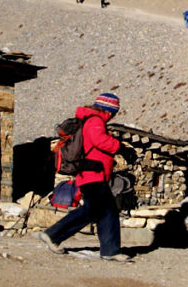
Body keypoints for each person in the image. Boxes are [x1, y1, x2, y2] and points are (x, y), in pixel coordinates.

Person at [36, 93, 135, 262]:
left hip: (93, 174)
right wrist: (119, 147)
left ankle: (110, 250)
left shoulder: (90, 119)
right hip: (92, 174)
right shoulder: (95, 121)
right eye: (114, 111)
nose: (114, 116)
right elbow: (99, 140)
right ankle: (53, 234)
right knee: (94, 209)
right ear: (109, 110)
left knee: (108, 210)